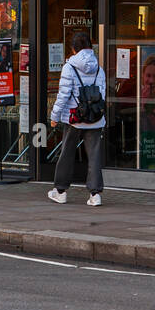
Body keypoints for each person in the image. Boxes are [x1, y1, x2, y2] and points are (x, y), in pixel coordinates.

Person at [49, 31, 106, 207]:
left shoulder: (69, 67)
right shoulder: (98, 67)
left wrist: (54, 116)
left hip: (73, 116)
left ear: (73, 49)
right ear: (90, 47)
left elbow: (63, 95)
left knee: (67, 152)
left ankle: (60, 191)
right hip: (95, 118)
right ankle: (95, 195)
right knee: (94, 155)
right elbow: (102, 93)